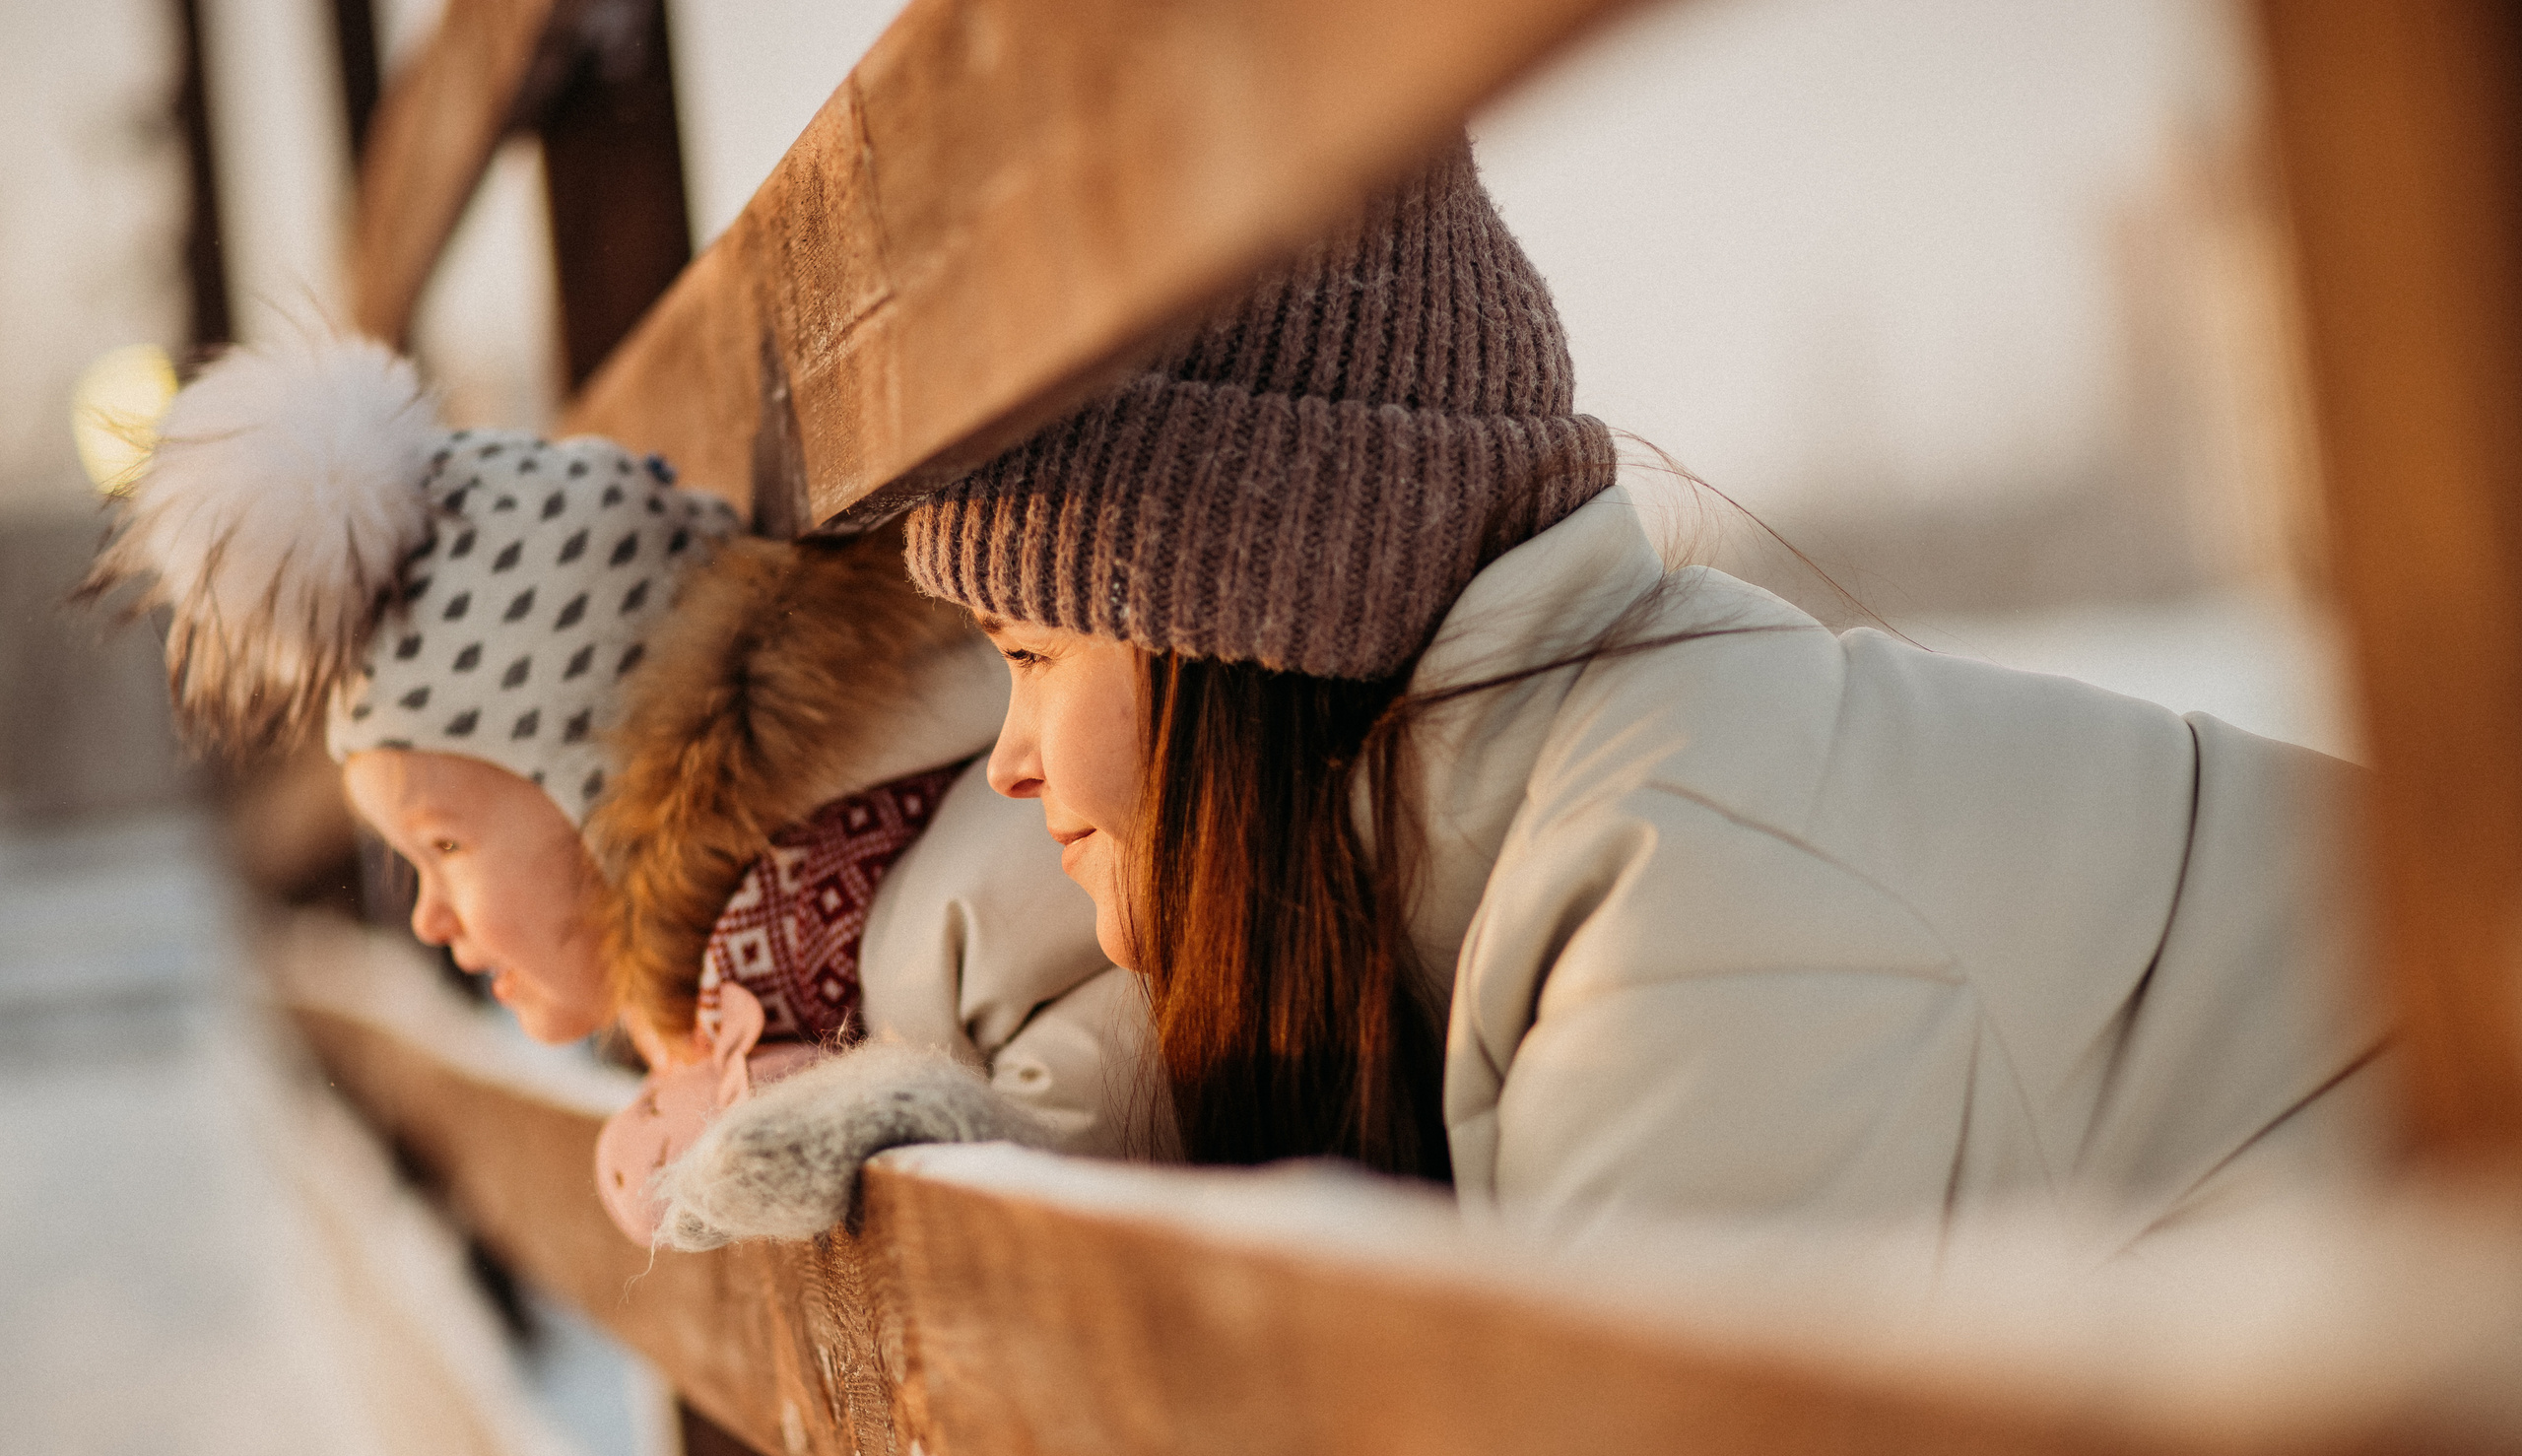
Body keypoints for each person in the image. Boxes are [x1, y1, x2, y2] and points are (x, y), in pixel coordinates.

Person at [879, 133, 2390, 1248]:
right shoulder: (1512, 863)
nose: (1009, 763)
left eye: (1032, 654)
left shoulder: (1686, 895)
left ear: (1245, 611)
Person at [84, 333, 1153, 1246]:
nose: (428, 917)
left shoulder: (966, 885)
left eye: (445, 845)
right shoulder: (771, 973)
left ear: (606, 796)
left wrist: (862, 1121)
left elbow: (1122, 1093)